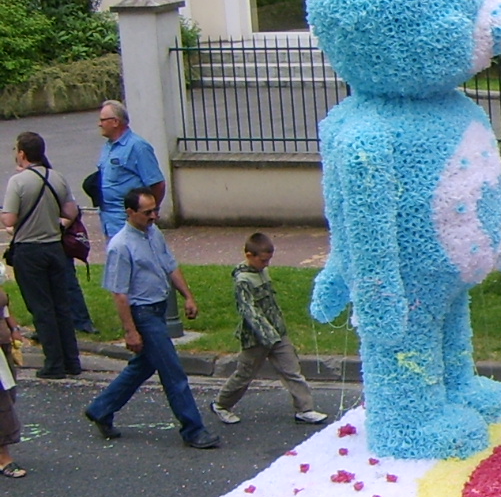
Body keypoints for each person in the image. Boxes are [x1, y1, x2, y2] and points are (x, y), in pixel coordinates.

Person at [83, 188, 218, 449]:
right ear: (130, 212)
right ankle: (193, 429)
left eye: (155, 210)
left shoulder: (153, 233)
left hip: (157, 309)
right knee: (173, 372)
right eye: (147, 212)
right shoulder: (121, 246)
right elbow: (120, 294)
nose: (154, 216)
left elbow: (171, 266)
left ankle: (101, 408)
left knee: (143, 366)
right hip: (143, 314)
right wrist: (130, 331)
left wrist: (188, 296)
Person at [209, 232, 328, 427]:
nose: (267, 264)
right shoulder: (244, 281)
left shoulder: (261, 271)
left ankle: (304, 409)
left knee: (292, 370)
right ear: (249, 255)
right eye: (263, 260)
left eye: (269, 260)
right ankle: (221, 405)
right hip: (256, 338)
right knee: (244, 374)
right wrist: (268, 335)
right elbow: (249, 311)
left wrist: (278, 332)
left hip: (277, 333)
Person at [2, 131, 84, 378]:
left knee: (42, 307)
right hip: (55, 248)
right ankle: (73, 360)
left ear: (22, 153)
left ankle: (54, 364)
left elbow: (9, 218)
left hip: (30, 250)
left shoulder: (18, 182)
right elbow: (70, 211)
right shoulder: (56, 177)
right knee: (61, 305)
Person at [95, 100, 166, 245]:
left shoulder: (138, 147)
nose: (99, 124)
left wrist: (150, 212)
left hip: (128, 221)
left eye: (102, 120)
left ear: (115, 122)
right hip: (110, 220)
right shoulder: (108, 146)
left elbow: (157, 184)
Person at [0, 294, 25, 476]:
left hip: (3, 343)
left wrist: (13, 327)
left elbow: (3, 303)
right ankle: (3, 457)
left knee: (9, 394)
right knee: (2, 401)